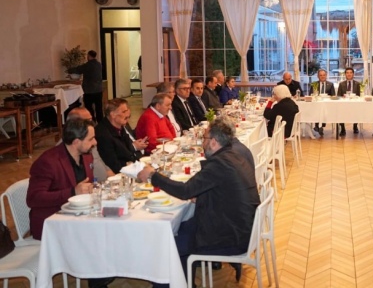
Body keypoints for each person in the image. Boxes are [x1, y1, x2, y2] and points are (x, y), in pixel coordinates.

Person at [137, 118, 260, 283]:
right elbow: (223, 192)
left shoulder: (220, 163)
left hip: (232, 238)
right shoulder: (233, 156)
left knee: (168, 244)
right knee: (182, 226)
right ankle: (187, 282)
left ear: (214, 142)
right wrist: (203, 196)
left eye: (205, 138)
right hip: (241, 228)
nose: (203, 142)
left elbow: (185, 191)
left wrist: (153, 176)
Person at [27, 118, 96, 240]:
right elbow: (33, 198)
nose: (95, 142)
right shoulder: (48, 162)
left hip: (79, 217)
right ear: (76, 142)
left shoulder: (87, 156)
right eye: (90, 139)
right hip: (53, 223)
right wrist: (73, 192)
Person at [95, 98, 148, 173]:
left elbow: (129, 150)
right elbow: (113, 164)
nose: (128, 114)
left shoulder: (119, 126)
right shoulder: (103, 135)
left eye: (128, 110)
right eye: (124, 111)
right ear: (113, 114)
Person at [68, 49, 104, 121]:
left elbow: (78, 69)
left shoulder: (88, 65)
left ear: (89, 56)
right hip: (99, 90)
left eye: (87, 55)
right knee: (99, 107)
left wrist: (69, 70)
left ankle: (92, 120)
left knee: (89, 107)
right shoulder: (99, 64)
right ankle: (100, 122)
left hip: (89, 90)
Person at [337, 67, 361, 136]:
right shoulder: (341, 84)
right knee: (339, 110)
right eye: (347, 73)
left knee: (358, 109)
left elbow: (359, 95)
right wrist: (343, 97)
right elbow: (338, 95)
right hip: (344, 104)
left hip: (354, 104)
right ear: (345, 74)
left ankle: (355, 126)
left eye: (350, 73)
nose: (349, 74)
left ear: (353, 74)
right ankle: (342, 128)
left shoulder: (357, 84)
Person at [312, 69, 335, 136]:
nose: (322, 76)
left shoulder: (330, 84)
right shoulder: (314, 84)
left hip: (327, 105)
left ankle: (319, 126)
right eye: (321, 75)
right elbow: (311, 94)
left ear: (326, 75)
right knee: (318, 109)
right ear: (318, 76)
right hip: (316, 105)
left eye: (324, 75)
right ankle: (319, 126)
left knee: (323, 110)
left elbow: (333, 95)